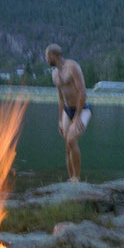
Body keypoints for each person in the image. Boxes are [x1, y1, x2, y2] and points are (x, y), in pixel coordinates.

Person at [46, 44, 91, 182]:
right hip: (67, 110)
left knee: (72, 140)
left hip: (82, 109)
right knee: (67, 145)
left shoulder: (72, 66)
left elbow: (82, 91)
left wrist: (77, 116)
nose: (46, 59)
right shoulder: (54, 74)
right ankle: (71, 178)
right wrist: (60, 119)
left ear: (53, 55)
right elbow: (60, 98)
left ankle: (76, 178)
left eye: (46, 55)